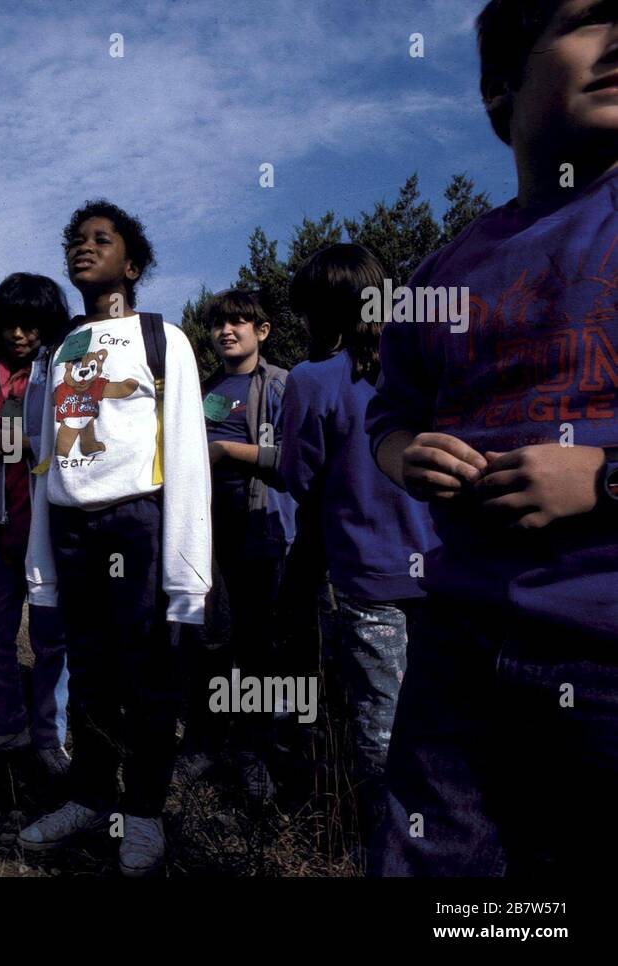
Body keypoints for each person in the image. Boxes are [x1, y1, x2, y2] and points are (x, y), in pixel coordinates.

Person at [366, 0, 618, 874]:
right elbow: (390, 415)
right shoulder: (442, 268)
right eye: (593, 19)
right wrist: (409, 455)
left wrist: (604, 477)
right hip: (458, 647)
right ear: (501, 84)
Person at [20, 201, 212, 876]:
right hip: (73, 530)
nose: (83, 248)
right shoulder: (58, 351)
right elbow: (46, 462)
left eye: (101, 240)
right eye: (75, 240)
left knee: (149, 680)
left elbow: (188, 454)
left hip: (139, 524)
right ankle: (94, 797)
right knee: (93, 677)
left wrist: (189, 581)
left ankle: (147, 812)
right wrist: (40, 571)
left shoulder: (163, 340)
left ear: (131, 264)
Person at [275, 243, 438, 848]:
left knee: (380, 718)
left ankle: (385, 845)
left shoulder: (311, 379)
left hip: (367, 576)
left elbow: (297, 477)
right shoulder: (421, 365)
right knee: (441, 716)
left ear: (319, 312)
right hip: (445, 569)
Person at [0, 273, 71, 776]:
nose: (19, 334)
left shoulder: (62, 371)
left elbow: (57, 438)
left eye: (31, 325)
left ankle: (53, 737)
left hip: (47, 530)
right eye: (10, 324)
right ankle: (5, 725)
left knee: (52, 639)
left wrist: (11, 438)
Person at [195, 289, 297, 802]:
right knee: (212, 639)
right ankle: (210, 744)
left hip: (262, 527)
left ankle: (257, 754)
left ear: (263, 330)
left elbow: (295, 459)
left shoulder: (281, 384)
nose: (227, 330)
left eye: (240, 321)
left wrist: (225, 449)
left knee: (261, 644)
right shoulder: (204, 388)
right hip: (208, 530)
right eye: (219, 323)